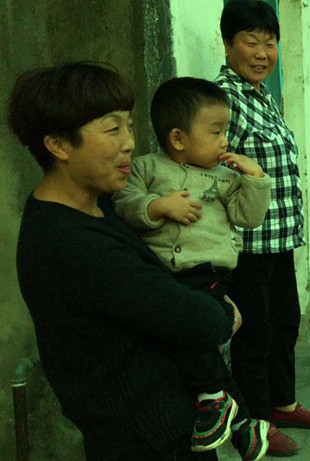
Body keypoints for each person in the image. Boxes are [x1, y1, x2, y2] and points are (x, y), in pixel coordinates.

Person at [9, 62, 234, 461]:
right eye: (112, 129)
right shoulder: (71, 244)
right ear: (59, 145)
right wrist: (223, 312)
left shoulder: (99, 206)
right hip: (142, 438)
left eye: (129, 126)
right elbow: (200, 322)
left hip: (169, 424)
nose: (129, 143)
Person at [112, 77, 273, 460]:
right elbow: (123, 204)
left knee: (189, 336)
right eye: (216, 132)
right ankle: (241, 422)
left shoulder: (226, 178)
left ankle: (214, 399)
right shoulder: (146, 168)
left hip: (207, 272)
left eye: (225, 132)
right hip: (162, 275)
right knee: (193, 344)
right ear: (178, 138)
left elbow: (249, 217)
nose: (224, 141)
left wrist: (255, 179)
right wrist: (158, 206)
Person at [216, 1, 310, 456]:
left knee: (285, 323)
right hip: (246, 243)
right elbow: (212, 167)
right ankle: (256, 423)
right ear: (228, 44)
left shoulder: (260, 95)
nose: (262, 53)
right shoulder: (222, 100)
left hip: (279, 236)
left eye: (270, 43)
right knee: (254, 335)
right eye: (251, 42)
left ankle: (283, 403)